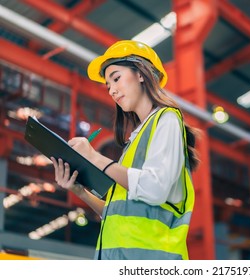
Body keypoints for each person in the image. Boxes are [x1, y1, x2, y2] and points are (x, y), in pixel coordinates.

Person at [51, 40, 199, 260]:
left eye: (116, 78)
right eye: (108, 85)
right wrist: (79, 191)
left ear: (141, 73)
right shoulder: (134, 143)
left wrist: (93, 156)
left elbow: (154, 188)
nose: (112, 90)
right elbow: (117, 213)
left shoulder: (166, 119)